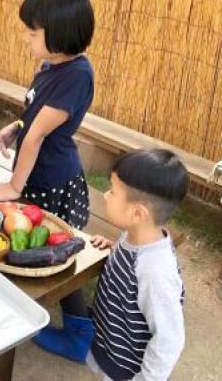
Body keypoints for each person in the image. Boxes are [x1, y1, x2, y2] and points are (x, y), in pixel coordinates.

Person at [0, 0, 95, 333]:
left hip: (54, 182)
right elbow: (35, 117)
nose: (24, 37)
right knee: (26, 244)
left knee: (58, 253)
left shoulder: (76, 75)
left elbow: (40, 134)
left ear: (60, 33)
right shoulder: (49, 65)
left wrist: (13, 186)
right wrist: (16, 126)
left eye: (32, 32)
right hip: (36, 175)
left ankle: (78, 331)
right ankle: (22, 311)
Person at [86, 149, 188, 380]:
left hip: (128, 371)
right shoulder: (135, 236)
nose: (106, 195)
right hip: (111, 347)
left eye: (113, 191)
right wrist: (113, 249)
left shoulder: (155, 272)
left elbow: (169, 339)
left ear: (138, 213)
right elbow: (131, 269)